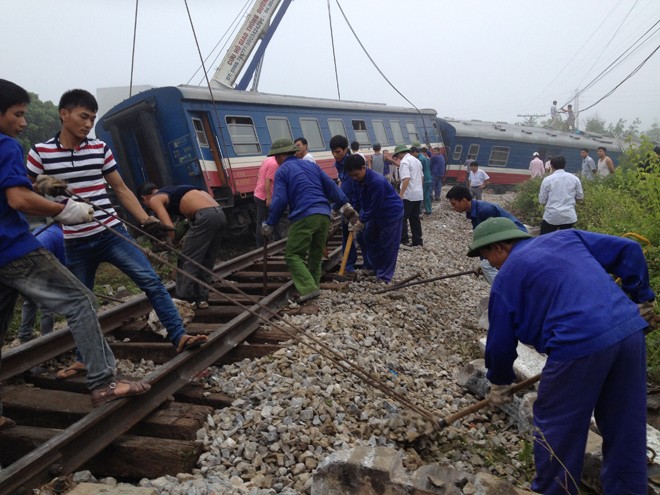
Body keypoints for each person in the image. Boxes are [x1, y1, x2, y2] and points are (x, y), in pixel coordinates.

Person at [468, 216, 656, 494]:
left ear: (499, 247)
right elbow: (629, 250)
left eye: (487, 258)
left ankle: (555, 489)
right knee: (625, 425)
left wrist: (499, 382)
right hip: (628, 332)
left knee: (558, 427)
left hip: (576, 346)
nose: (490, 265)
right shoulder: (566, 238)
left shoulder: (505, 280)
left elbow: (499, 342)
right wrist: (642, 298)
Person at [0, 79, 150, 418]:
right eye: (17, 114)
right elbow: (17, 199)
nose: (23, 123)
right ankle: (103, 381)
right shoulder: (7, 146)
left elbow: (14, 186)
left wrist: (40, 184)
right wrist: (64, 210)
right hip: (11, 248)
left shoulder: (93, 149)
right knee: (81, 300)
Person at [26, 89, 206, 372]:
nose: (88, 124)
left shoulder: (99, 149)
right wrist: (41, 186)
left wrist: (145, 220)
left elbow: (120, 189)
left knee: (152, 283)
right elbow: (24, 192)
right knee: (81, 304)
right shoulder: (40, 153)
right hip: (74, 241)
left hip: (112, 233)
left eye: (92, 119)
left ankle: (179, 336)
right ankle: (84, 359)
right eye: (83, 116)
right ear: (64, 114)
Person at [261, 139, 356, 302]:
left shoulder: (282, 171)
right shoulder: (311, 165)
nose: (275, 160)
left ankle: (308, 287)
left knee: (292, 255)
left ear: (282, 155)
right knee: (315, 254)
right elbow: (331, 186)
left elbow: (280, 199)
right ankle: (313, 287)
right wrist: (345, 204)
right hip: (324, 215)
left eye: (276, 157)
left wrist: (270, 223)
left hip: (305, 215)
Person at [139, 183, 226, 309]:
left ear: (143, 198)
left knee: (187, 260)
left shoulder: (154, 199)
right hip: (220, 214)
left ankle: (185, 300)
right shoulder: (171, 190)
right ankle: (201, 299)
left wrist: (168, 246)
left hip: (204, 216)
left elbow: (169, 227)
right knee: (206, 260)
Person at [446, 184, 527, 284]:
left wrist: (485, 262)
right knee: (488, 265)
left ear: (463, 200)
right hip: (506, 240)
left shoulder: (485, 210)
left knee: (487, 266)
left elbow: (492, 240)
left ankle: (503, 290)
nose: (453, 207)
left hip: (515, 239)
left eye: (454, 204)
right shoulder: (474, 211)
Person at [343, 154, 404, 282]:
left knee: (388, 244)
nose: (354, 178)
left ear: (363, 168)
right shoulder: (356, 180)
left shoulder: (377, 182)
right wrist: (353, 212)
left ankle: (384, 276)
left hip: (390, 213)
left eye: (356, 174)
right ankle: (375, 268)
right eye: (351, 176)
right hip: (374, 213)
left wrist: (361, 220)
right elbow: (357, 198)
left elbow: (375, 206)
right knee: (367, 237)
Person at [17, 222, 65, 343]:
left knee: (30, 301)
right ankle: (47, 339)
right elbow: (63, 265)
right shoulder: (60, 236)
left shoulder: (42, 228)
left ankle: (24, 334)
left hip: (19, 266)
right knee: (46, 306)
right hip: (35, 268)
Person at [331, 135, 370, 275]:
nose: (335, 155)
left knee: (362, 235)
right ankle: (349, 265)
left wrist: (336, 207)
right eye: (333, 152)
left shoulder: (352, 162)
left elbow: (349, 187)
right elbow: (342, 186)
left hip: (357, 202)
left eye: (338, 152)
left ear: (346, 149)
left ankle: (368, 264)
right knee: (347, 233)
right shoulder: (339, 164)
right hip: (347, 204)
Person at [538, 156, 584, 234]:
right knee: (565, 241)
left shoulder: (547, 180)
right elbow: (580, 197)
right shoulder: (575, 179)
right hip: (569, 216)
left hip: (551, 216)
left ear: (551, 166)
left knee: (545, 240)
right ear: (565, 165)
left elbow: (542, 200)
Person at [395, 144, 424, 246]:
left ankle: (404, 239)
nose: (398, 158)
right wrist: (419, 188)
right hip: (418, 194)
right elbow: (422, 177)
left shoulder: (404, 162)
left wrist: (401, 194)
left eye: (397, 155)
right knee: (415, 218)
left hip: (409, 195)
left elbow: (406, 178)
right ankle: (417, 240)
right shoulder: (417, 161)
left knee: (403, 217)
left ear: (400, 153)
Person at [253, 156, 282, 247]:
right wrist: (269, 198)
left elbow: (258, 175)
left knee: (262, 221)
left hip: (258, 194)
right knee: (268, 221)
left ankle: (272, 242)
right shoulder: (274, 164)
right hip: (264, 197)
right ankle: (262, 245)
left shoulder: (267, 160)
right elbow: (268, 182)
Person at [412, 145, 433, 215]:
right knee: (426, 195)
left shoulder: (419, 159)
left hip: (423, 179)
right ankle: (428, 210)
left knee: (420, 195)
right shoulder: (424, 157)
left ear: (415, 152)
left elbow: (419, 171)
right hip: (428, 178)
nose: (412, 155)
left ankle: (419, 211)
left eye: (412, 154)